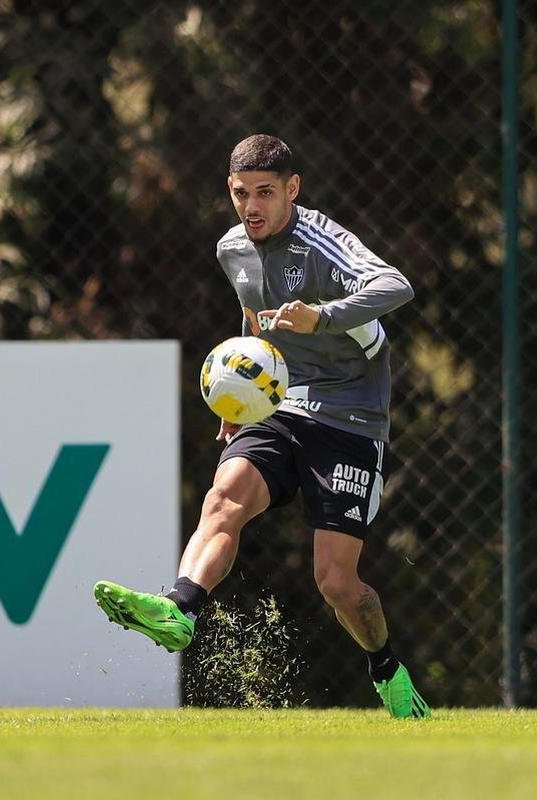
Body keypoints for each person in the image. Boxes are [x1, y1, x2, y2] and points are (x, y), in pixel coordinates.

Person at [94, 134, 429, 718]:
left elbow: (395, 286)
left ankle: (387, 669)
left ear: (293, 191)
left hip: (352, 413)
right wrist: (238, 400)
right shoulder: (232, 249)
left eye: (266, 194)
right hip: (283, 403)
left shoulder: (322, 241)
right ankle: (180, 608)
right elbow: (252, 320)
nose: (252, 207)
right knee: (223, 498)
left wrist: (320, 316)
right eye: (241, 194)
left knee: (336, 584)